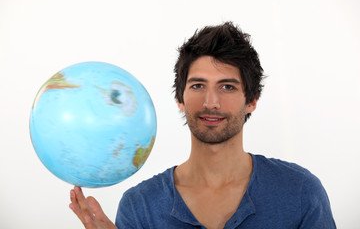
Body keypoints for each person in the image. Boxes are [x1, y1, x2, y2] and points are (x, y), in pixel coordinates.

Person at [69, 22, 336, 229]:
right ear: (179, 98)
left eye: (227, 87)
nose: (211, 102)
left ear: (252, 100)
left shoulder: (300, 191)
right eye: (198, 85)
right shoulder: (140, 205)